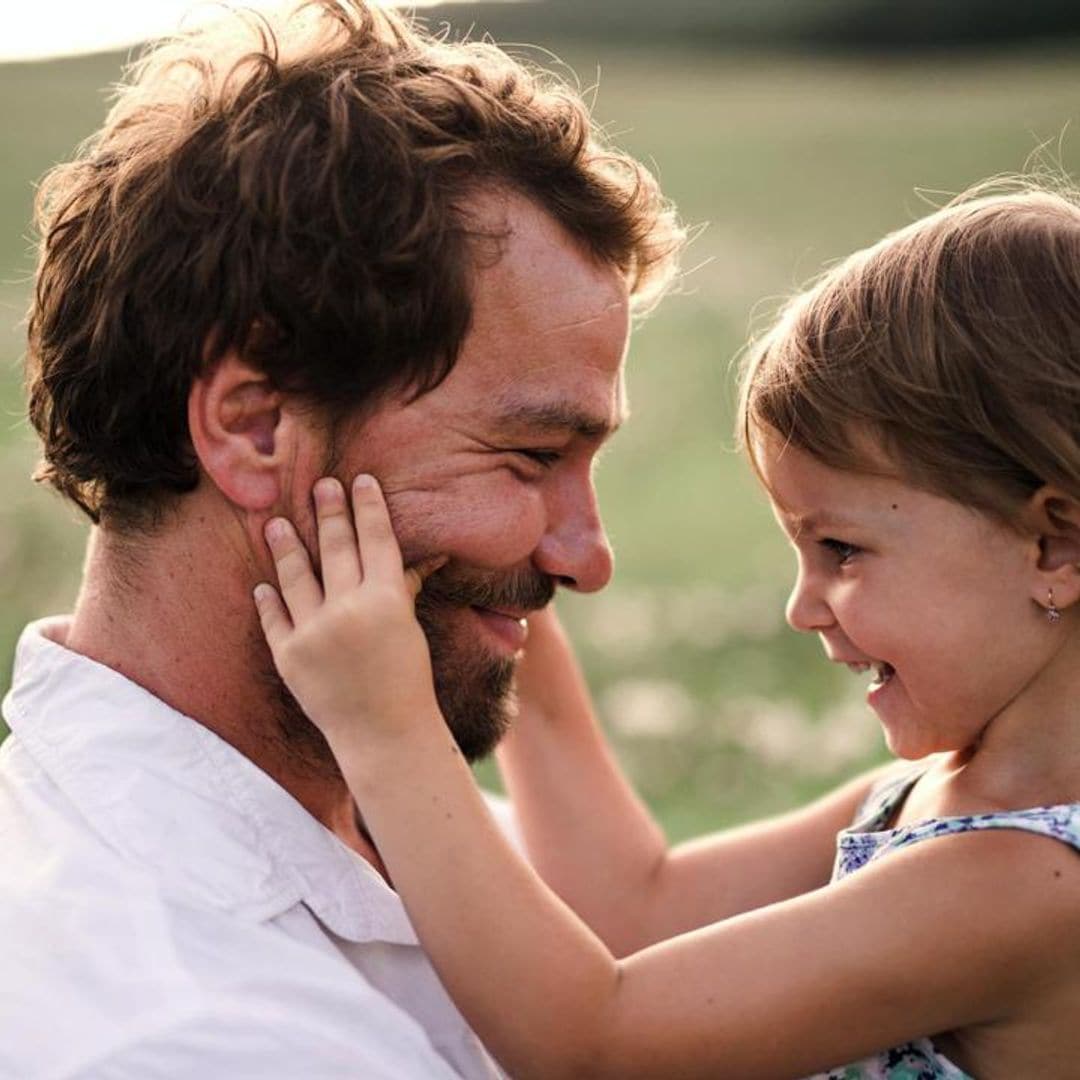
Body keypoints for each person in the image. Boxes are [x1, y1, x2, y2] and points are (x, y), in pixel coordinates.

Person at [257, 183, 1080, 1080]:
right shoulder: (922, 799)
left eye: (843, 549)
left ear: (1054, 546)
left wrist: (388, 729)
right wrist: (500, 603)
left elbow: (595, 1045)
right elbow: (634, 910)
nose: (802, 608)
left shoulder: (1020, 885)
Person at [0, 1, 683, 1075]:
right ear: (254, 426)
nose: (586, 558)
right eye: (532, 455)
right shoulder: (193, 1036)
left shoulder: (409, 834)